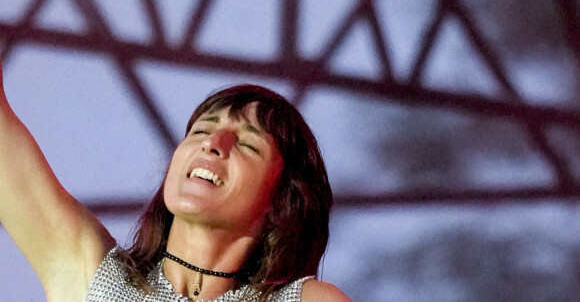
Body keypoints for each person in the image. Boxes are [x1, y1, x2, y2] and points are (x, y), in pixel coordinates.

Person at [0, 53, 352, 301]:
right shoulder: (93, 277)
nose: (213, 143)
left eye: (247, 144)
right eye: (201, 131)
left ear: (280, 201)